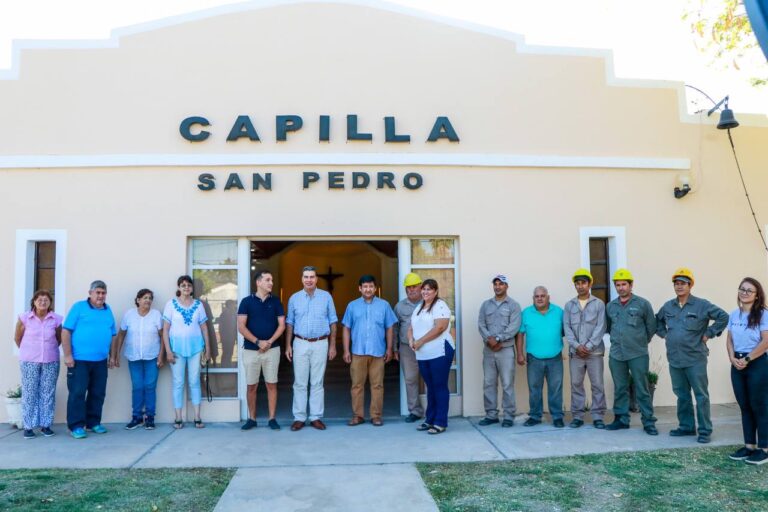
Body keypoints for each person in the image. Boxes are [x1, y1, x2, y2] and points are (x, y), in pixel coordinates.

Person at [656, 268, 728, 444]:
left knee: (701, 395)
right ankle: (686, 427)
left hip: (695, 358)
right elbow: (657, 321)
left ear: (690, 285)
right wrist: (664, 334)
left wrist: (709, 333)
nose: (679, 286)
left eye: (683, 283)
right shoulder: (668, 306)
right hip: (675, 359)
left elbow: (723, 317)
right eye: (676, 283)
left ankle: (704, 430)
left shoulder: (701, 305)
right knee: (682, 395)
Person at [61, 280, 117, 439]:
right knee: (77, 393)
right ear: (90, 293)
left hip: (100, 360)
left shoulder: (108, 310)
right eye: (97, 292)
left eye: (103, 293)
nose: (100, 296)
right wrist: (67, 355)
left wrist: (112, 356)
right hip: (79, 360)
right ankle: (76, 426)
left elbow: (113, 334)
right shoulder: (79, 307)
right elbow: (66, 332)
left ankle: (93, 423)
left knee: (98, 393)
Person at [605, 269, 658, 435]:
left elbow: (651, 327)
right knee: (620, 387)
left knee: (642, 388)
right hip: (617, 354)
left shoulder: (642, 304)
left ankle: (648, 422)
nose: (621, 288)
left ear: (631, 285)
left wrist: (640, 342)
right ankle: (621, 420)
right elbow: (608, 327)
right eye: (618, 285)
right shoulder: (610, 306)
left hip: (637, 353)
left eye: (624, 284)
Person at [285, 266, 338, 431]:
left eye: (312, 277)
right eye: (306, 276)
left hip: (321, 342)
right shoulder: (294, 298)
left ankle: (315, 417)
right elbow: (290, 323)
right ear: (302, 279)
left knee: (317, 382)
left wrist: (333, 345)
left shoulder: (326, 297)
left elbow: (333, 322)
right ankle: (299, 417)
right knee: (300, 382)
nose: (309, 279)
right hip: (300, 342)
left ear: (316, 279)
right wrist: (288, 345)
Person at [342, 275, 397, 426]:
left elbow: (389, 328)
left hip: (378, 352)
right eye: (365, 286)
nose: (368, 289)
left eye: (371, 286)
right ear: (360, 288)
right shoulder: (352, 306)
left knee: (377, 385)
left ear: (375, 288)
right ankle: (357, 415)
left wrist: (389, 349)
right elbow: (346, 328)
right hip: (358, 352)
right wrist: (346, 350)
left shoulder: (384, 305)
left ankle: (376, 416)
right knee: (357, 385)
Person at [237, 270, 286, 431]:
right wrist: (258, 342)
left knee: (272, 384)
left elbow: (282, 325)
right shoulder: (246, 302)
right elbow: (241, 326)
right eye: (267, 280)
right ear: (258, 282)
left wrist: (269, 342)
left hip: (272, 350)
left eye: (271, 280)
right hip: (251, 350)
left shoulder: (276, 302)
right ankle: (252, 419)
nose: (271, 283)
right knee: (252, 385)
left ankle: (272, 418)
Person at [727, 277, 768, 465]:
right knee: (744, 406)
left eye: (749, 290)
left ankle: (764, 449)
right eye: (742, 289)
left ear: (757, 295)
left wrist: (748, 359)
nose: (744, 292)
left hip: (757, 363)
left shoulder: (763, 314)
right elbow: (729, 340)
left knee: (759, 406)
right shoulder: (734, 314)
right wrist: (732, 358)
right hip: (737, 363)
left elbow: (765, 341)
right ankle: (749, 446)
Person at [163, 275, 211, 429]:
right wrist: (168, 351)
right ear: (179, 287)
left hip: (196, 349)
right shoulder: (170, 305)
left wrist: (208, 348)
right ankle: (178, 417)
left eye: (189, 285)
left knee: (194, 382)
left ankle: (197, 417)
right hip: (176, 349)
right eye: (183, 285)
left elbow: (204, 328)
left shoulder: (198, 305)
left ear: (192, 288)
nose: (186, 287)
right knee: (178, 383)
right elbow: (165, 330)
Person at [113, 289, 164, 430]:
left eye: (150, 298)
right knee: (137, 387)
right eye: (144, 298)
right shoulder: (129, 315)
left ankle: (150, 417)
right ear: (138, 300)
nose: (147, 300)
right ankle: (136, 417)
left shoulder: (156, 315)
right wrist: (116, 354)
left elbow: (162, 336)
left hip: (152, 357)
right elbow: (121, 335)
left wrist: (161, 355)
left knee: (150, 386)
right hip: (133, 357)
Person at [408, 279, 455, 435]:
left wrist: (420, 340)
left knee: (439, 386)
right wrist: (411, 340)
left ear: (435, 291)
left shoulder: (440, 306)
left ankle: (440, 422)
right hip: (423, 353)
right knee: (430, 386)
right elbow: (411, 327)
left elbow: (440, 327)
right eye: (424, 289)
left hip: (439, 351)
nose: (425, 292)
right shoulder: (419, 307)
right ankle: (430, 419)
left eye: (429, 289)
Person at [14, 290, 62, 439]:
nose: (43, 302)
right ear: (34, 302)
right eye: (39, 300)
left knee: (48, 393)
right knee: (30, 393)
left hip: (50, 360)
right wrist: (29, 351)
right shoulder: (24, 318)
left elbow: (59, 339)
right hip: (29, 361)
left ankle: (45, 425)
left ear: (50, 303)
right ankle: (28, 426)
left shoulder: (56, 319)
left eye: (46, 300)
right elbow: (17, 338)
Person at [563, 269, 607, 429]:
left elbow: (601, 327)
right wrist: (576, 346)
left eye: (583, 283)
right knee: (576, 384)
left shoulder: (599, 304)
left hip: (594, 352)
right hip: (576, 353)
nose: (580, 286)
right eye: (577, 283)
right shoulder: (569, 305)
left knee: (597, 384)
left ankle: (598, 416)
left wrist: (587, 346)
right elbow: (567, 328)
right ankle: (578, 416)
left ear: (589, 284)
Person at [516, 286, 565, 428]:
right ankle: (535, 416)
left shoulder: (559, 312)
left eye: (542, 296)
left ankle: (557, 416)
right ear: (533, 298)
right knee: (534, 388)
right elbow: (520, 334)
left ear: (548, 297)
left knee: (555, 388)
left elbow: (566, 330)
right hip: (533, 358)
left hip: (555, 356)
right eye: (537, 296)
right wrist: (519, 353)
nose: (540, 298)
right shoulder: (526, 313)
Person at [477, 275, 522, 428]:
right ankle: (491, 415)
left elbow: (514, 327)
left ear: (506, 286)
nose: (497, 287)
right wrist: (489, 340)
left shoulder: (514, 305)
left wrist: (498, 339)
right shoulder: (485, 305)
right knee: (489, 383)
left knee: (507, 383)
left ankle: (508, 416)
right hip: (489, 350)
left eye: (501, 284)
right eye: (495, 284)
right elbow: (481, 324)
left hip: (506, 350)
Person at [393, 272, 425, 423]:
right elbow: (395, 329)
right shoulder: (399, 306)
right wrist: (394, 349)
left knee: (430, 380)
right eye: (408, 287)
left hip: (427, 347)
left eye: (414, 287)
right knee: (410, 380)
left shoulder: (429, 303)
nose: (411, 290)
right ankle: (415, 411)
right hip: (407, 348)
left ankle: (434, 410)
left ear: (420, 287)